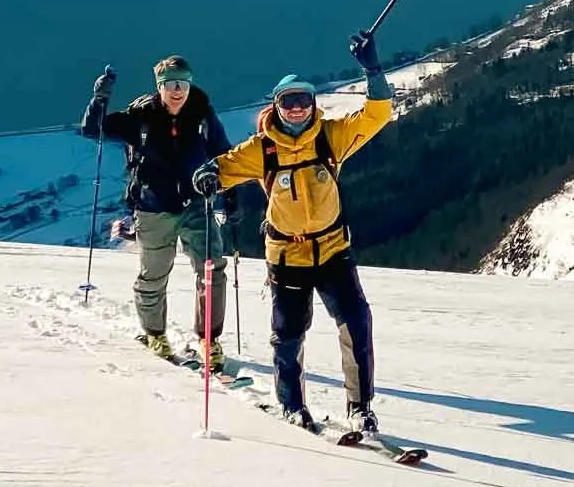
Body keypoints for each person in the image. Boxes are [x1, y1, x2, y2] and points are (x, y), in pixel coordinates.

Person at [194, 31, 392, 433]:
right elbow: (225, 167)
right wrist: (209, 175)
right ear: (277, 105)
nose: (298, 109)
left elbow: (377, 115)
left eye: (304, 101)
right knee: (288, 335)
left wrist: (373, 71)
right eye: (289, 102)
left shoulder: (331, 136)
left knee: (356, 325)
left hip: (333, 249)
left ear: (313, 104)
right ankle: (291, 404)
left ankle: (360, 406)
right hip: (287, 257)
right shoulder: (261, 149)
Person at [81, 55, 231, 367]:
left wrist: (231, 193)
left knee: (212, 271)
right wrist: (99, 100)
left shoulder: (204, 116)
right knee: (154, 275)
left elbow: (224, 155)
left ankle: (208, 340)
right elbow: (93, 130)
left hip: (196, 204)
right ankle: (155, 334)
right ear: (160, 86)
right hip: (153, 207)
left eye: (184, 83)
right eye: (171, 84)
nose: (178, 90)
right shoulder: (140, 116)